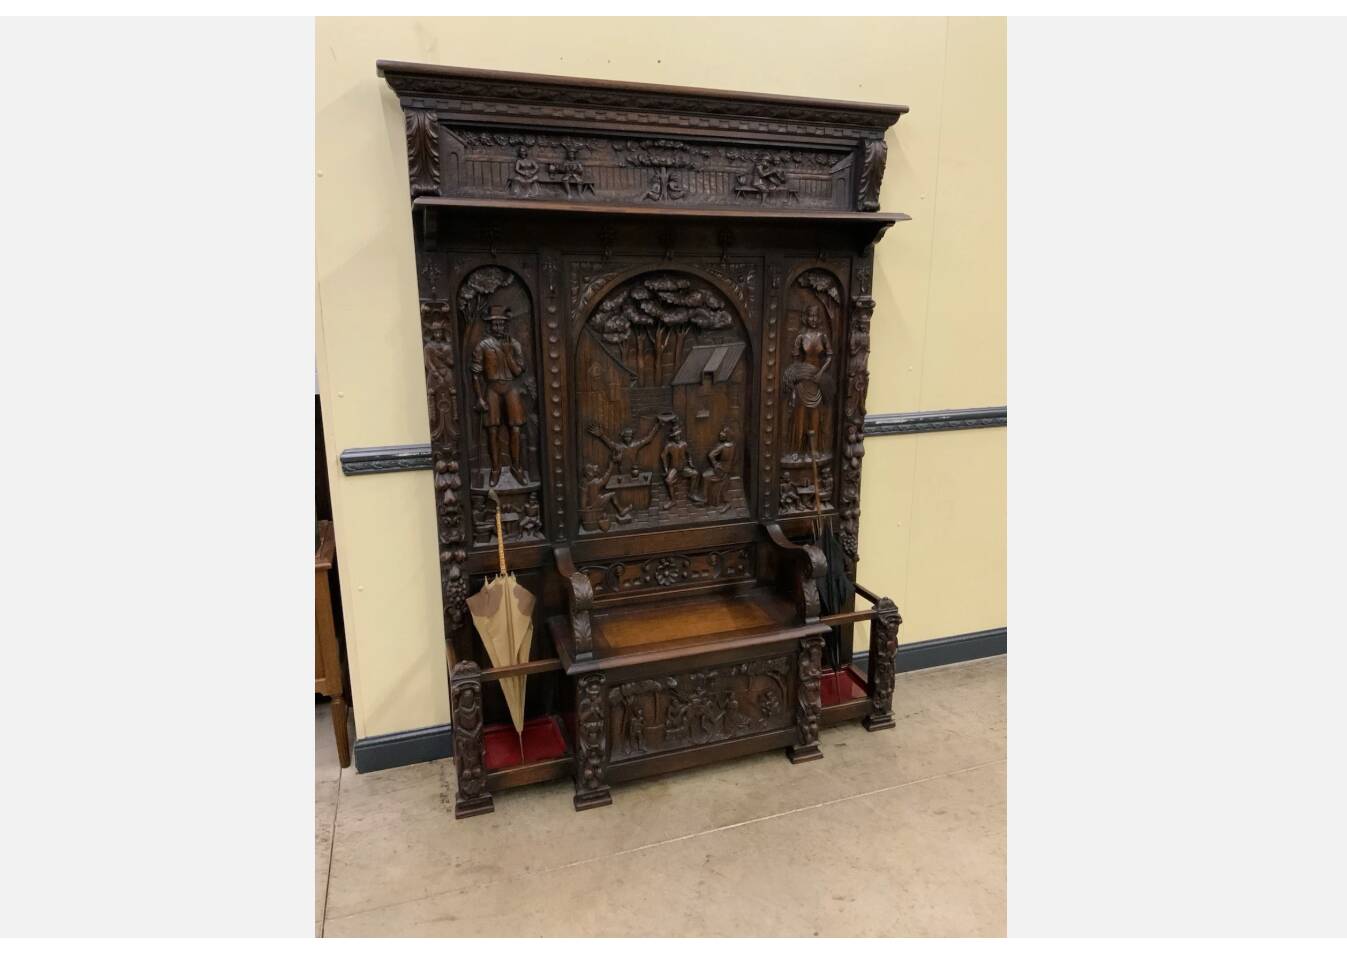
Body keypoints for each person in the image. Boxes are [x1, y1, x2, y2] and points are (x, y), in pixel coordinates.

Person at [471, 306, 530, 487]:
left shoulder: (514, 344)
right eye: (495, 324)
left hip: (510, 387)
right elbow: (476, 373)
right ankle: (496, 468)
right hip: (492, 389)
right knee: (493, 429)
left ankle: (516, 466)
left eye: (501, 324)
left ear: (505, 325)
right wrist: (479, 397)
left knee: (516, 428)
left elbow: (519, 371)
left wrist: (507, 354)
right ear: (490, 326)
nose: (498, 327)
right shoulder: (483, 346)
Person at [784, 304, 833, 458]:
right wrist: (796, 379)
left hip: (817, 379)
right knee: (799, 416)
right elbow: (795, 360)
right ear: (806, 317)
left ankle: (813, 449)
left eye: (816, 316)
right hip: (802, 380)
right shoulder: (801, 337)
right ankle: (796, 449)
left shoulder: (823, 336)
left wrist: (821, 372)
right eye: (810, 316)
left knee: (815, 416)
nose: (813, 319)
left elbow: (830, 356)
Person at [587, 418, 662, 479]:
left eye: (629, 436)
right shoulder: (619, 447)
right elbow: (609, 443)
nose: (628, 438)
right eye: (626, 436)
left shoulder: (635, 445)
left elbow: (648, 439)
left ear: (632, 437)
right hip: (623, 472)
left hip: (634, 472)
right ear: (623, 437)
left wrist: (657, 425)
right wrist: (601, 435)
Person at [659, 421, 702, 509]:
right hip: (674, 468)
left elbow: (689, 454)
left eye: (678, 435)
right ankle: (673, 501)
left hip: (683, 467)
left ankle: (691, 494)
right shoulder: (669, 445)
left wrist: (690, 463)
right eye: (675, 436)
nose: (677, 437)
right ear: (673, 437)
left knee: (695, 473)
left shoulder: (684, 444)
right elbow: (663, 456)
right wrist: (666, 469)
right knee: (668, 481)